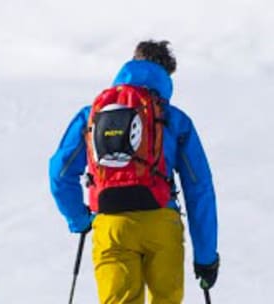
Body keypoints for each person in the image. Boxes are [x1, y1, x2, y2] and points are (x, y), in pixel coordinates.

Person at [49, 40, 220, 304]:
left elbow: (60, 174)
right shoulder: (173, 119)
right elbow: (199, 189)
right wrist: (206, 258)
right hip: (162, 225)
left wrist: (79, 218)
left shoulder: (91, 115)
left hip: (111, 224)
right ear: (166, 75)